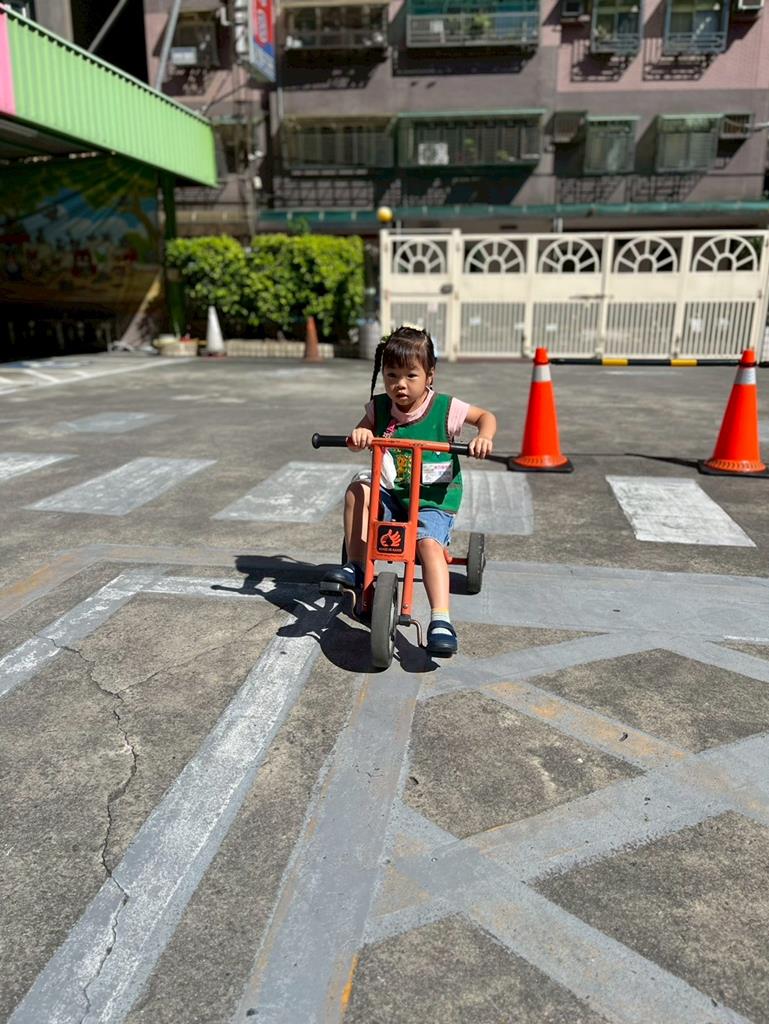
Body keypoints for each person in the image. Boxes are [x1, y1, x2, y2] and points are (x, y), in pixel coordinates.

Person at [322, 324, 497, 656]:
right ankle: (357, 566)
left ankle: (441, 619)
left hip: (433, 499)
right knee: (357, 491)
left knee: (428, 546)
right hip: (393, 493)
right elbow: (358, 436)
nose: (399, 384)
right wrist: (360, 435)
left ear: (429, 376)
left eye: (410, 375)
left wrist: (483, 437)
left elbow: (485, 417)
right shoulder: (379, 408)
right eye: (391, 375)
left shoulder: (446, 408)